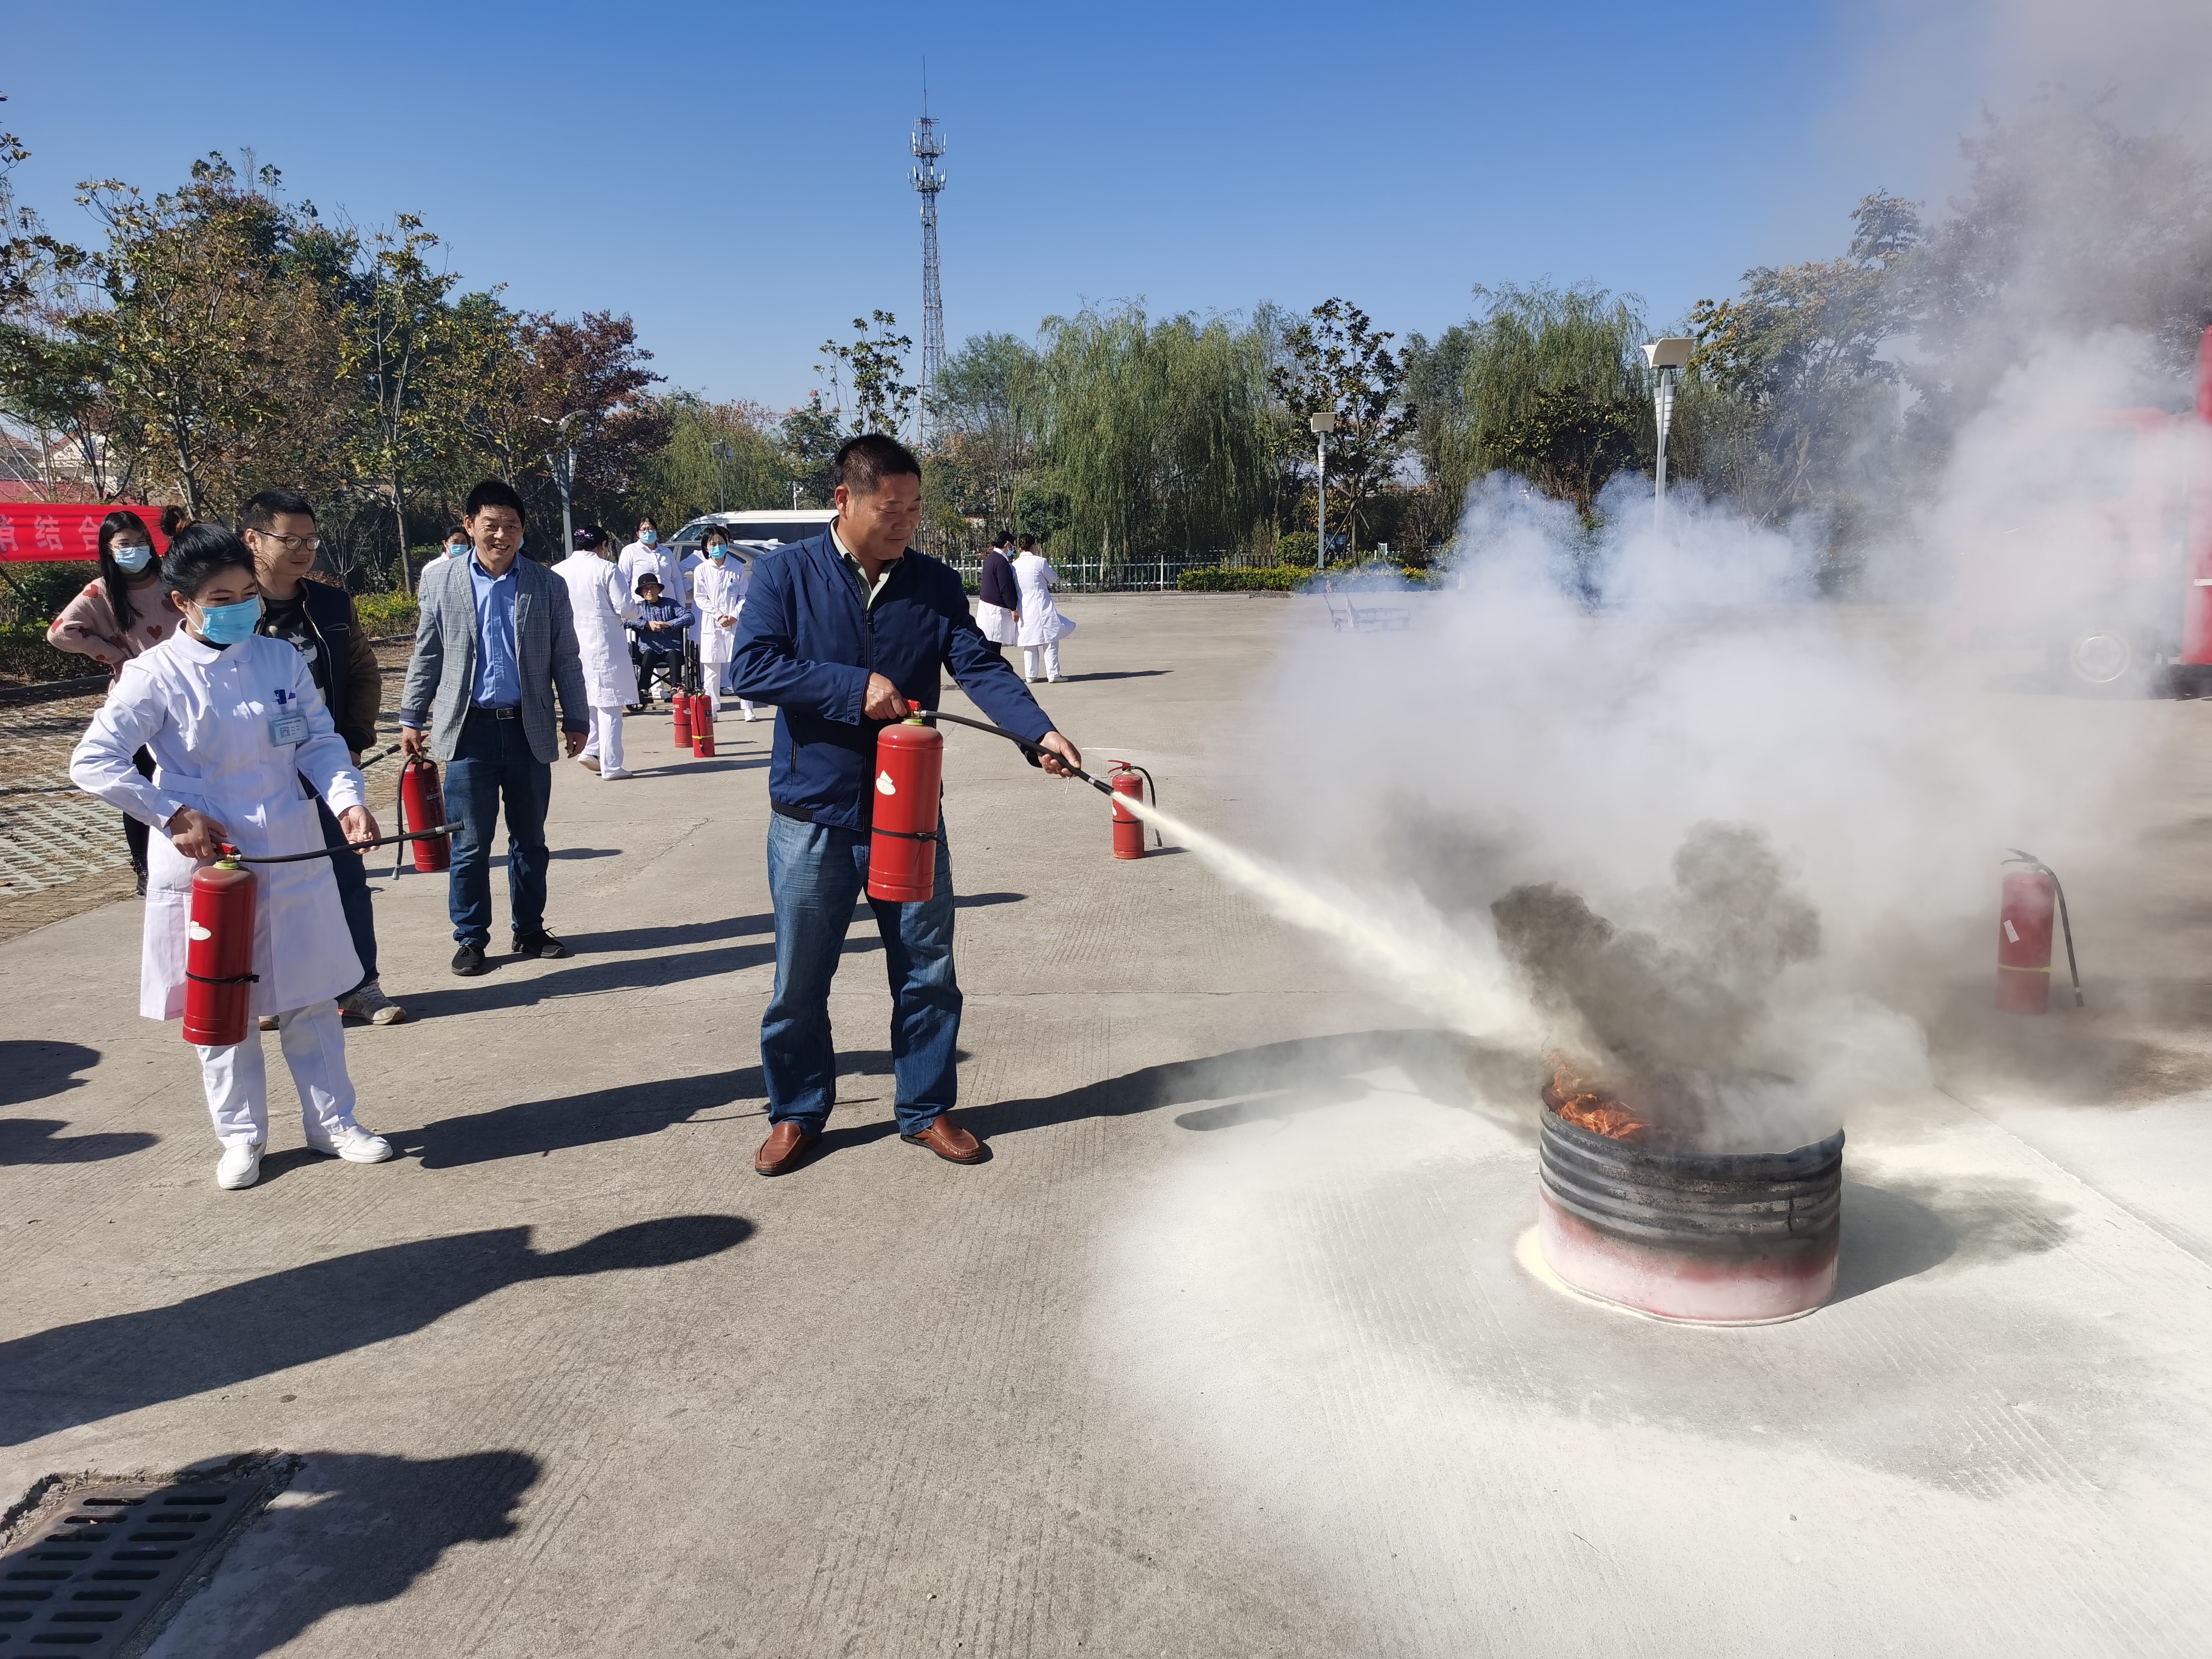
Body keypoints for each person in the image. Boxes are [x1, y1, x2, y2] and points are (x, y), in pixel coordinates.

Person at [731, 434, 1082, 1177]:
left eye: (915, 508)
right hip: (811, 814)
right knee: (799, 980)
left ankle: (926, 1108)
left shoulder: (930, 582)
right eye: (891, 509)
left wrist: (1038, 731)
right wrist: (851, 687)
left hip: (910, 815)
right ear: (844, 500)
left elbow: (978, 665)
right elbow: (753, 666)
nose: (905, 523)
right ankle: (796, 1110)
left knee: (926, 970)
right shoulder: (784, 575)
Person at [68, 521, 395, 1190]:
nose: (241, 606)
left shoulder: (278, 660)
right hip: (209, 865)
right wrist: (171, 813)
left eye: (247, 592)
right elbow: (93, 762)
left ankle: (334, 1124)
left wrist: (347, 801)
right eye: (222, 597)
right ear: (183, 603)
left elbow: (318, 743)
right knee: (225, 1008)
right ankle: (241, 1137)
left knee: (310, 997)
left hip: (292, 845)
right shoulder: (152, 674)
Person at [398, 479, 590, 977]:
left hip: (527, 730)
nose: (501, 535)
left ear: (523, 531)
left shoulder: (547, 585)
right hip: (469, 733)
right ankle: (470, 937)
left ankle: (529, 929)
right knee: (469, 843)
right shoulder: (441, 582)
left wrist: (577, 716)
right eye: (491, 525)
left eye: (511, 526)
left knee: (531, 840)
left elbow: (566, 658)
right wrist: (411, 717)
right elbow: (428, 653)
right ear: (469, 526)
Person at [240, 489, 404, 1027]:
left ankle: (360, 986)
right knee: (267, 884)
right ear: (253, 540)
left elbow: (362, 672)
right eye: (290, 539)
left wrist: (352, 742)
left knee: (344, 875)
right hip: (253, 773)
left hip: (323, 762)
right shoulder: (231, 606)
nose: (304, 549)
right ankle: (273, 993)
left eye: (310, 539)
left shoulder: (330, 604)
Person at [46, 508, 176, 895]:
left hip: (190, 692)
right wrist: (112, 654)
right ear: (108, 549)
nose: (134, 550)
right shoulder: (101, 591)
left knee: (184, 777)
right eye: (124, 545)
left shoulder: (174, 579)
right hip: (136, 700)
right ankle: (144, 867)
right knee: (138, 786)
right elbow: (60, 632)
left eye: (140, 542)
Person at [555, 524, 641, 779]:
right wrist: (637, 611)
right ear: (603, 546)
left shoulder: (558, 570)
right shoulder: (607, 568)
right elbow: (625, 607)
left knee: (590, 700)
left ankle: (591, 750)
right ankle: (612, 765)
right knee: (611, 706)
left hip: (571, 643)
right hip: (603, 644)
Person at [690, 528, 754, 722]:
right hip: (712, 623)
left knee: (740, 665)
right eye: (713, 544)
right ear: (706, 548)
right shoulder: (701, 570)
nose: (718, 547)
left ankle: (747, 708)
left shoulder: (737, 566)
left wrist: (734, 615)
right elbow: (701, 597)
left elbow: (743, 594)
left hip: (734, 623)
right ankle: (713, 708)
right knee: (712, 670)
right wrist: (719, 616)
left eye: (721, 543)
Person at [1011, 534, 1074, 683]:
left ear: (1020, 547)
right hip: (1042, 604)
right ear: (1033, 546)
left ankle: (1031, 675)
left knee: (1029, 641)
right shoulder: (1040, 562)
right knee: (1051, 638)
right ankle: (1053, 674)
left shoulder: (1015, 565)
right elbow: (1053, 578)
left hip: (1024, 605)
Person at [627, 574, 692, 704]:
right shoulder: (638, 607)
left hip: (672, 646)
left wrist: (669, 624)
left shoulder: (671, 604)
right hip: (649, 648)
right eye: (645, 589)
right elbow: (626, 620)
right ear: (641, 593)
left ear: (659, 590)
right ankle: (643, 690)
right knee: (648, 655)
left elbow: (689, 617)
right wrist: (646, 624)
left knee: (674, 654)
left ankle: (676, 687)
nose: (649, 591)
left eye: (652, 587)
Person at [617, 516, 683, 615]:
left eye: (651, 528)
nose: (647, 532)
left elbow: (677, 579)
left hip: (668, 606)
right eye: (644, 529)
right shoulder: (630, 551)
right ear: (638, 534)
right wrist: (628, 607)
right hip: (641, 607)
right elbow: (623, 581)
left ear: (656, 531)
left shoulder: (666, 552)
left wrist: (681, 604)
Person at [976, 531, 1019, 649]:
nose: (1013, 549)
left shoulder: (992, 558)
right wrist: (1013, 608)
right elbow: (1005, 588)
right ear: (1007, 544)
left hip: (987, 609)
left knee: (990, 646)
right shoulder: (1001, 562)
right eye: (1012, 545)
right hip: (995, 610)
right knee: (994, 647)